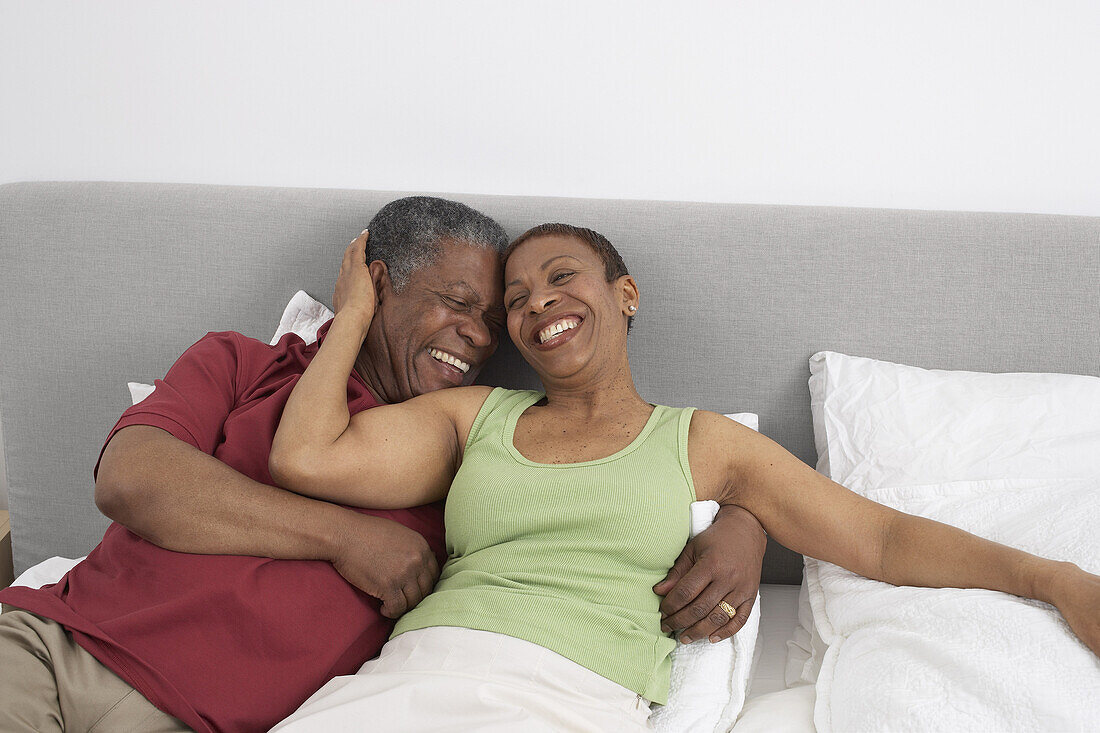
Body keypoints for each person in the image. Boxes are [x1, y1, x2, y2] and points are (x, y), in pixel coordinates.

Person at [266, 222, 1100, 732]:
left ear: (624, 293)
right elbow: (306, 455)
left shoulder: (700, 443)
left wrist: (1048, 577)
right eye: (517, 297)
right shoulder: (472, 416)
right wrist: (359, 312)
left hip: (570, 700)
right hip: (413, 674)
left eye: (562, 277)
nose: (537, 304)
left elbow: (879, 536)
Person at [0, 198, 766, 733]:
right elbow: (131, 478)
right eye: (453, 302)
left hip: (201, 720)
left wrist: (747, 520)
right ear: (377, 284)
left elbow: (621, 484)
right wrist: (343, 536)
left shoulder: (478, 443)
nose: (475, 336)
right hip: (54, 647)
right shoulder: (242, 362)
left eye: (489, 320)